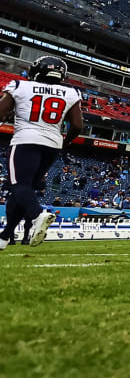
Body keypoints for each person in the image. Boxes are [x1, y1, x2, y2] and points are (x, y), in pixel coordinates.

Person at [0, 56, 82, 249]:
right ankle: (4, 236)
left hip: (26, 139)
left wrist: (10, 113)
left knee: (18, 185)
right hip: (53, 144)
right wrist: (65, 142)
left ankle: (38, 215)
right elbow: (78, 125)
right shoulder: (71, 92)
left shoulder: (21, 85)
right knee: (23, 190)